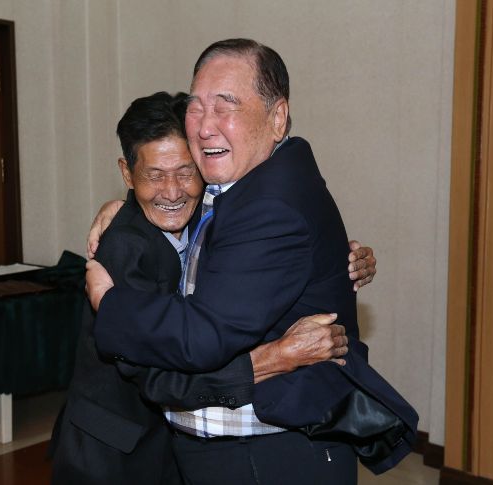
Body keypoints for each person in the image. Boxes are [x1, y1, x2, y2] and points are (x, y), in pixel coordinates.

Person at [86, 39, 417, 484]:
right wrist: (121, 207)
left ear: (277, 117)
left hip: (266, 453)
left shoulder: (266, 204)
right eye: (196, 107)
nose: (205, 126)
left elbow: (200, 339)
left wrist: (109, 303)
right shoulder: (233, 185)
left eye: (227, 106)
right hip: (207, 448)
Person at [49, 92, 362, 485]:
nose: (173, 191)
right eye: (154, 175)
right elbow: (161, 379)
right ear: (128, 174)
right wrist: (275, 358)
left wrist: (332, 259)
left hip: (173, 443)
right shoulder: (124, 251)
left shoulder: (213, 214)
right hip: (112, 454)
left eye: (185, 171)